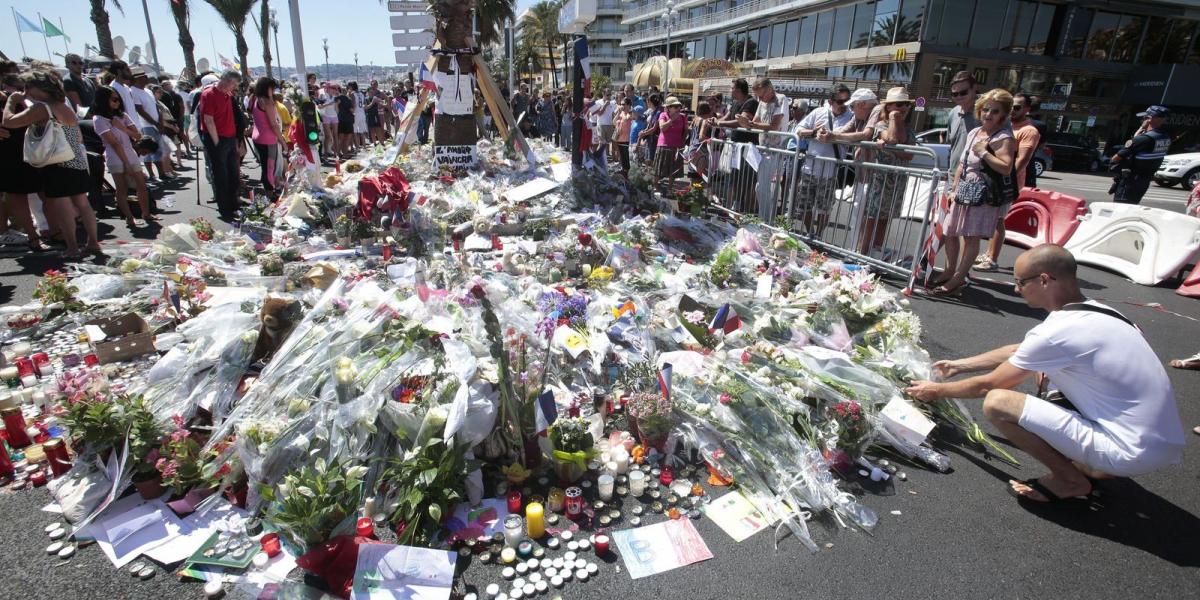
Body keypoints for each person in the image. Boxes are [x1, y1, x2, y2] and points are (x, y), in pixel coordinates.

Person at [906, 244, 1186, 503]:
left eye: (1020, 282)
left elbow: (987, 386)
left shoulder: (1057, 332)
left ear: (1044, 280)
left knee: (998, 402)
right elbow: (1022, 350)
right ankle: (1094, 465)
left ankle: (1070, 480)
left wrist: (937, 390)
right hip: (1160, 442)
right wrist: (959, 365)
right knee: (1048, 377)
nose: (1016, 290)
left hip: (1129, 450)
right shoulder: (1101, 313)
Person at [2, 68, 102, 259]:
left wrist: (12, 101)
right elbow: (75, 137)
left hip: (57, 160)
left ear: (37, 87)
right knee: (82, 203)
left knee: (62, 204)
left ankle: (72, 247)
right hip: (74, 157)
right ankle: (93, 242)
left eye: (27, 87)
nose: (24, 91)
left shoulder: (42, 108)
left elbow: (9, 122)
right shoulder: (62, 105)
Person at [935, 89, 1017, 296]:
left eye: (995, 111)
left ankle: (958, 279)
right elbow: (962, 164)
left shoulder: (1004, 137)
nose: (988, 114)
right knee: (950, 231)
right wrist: (953, 190)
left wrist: (984, 153)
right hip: (964, 189)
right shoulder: (974, 133)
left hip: (984, 194)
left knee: (971, 238)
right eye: (986, 109)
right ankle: (949, 270)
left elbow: (1006, 167)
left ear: (1003, 115)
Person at [977, 91, 1041, 272]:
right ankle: (988, 253)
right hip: (992, 179)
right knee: (992, 218)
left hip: (1005, 182)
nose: (1013, 110)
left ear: (1027, 109)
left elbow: (1023, 160)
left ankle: (992, 258)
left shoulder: (1029, 131)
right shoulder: (1006, 126)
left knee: (998, 219)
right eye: (1010, 107)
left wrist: (1007, 180)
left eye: (1018, 107)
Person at [932, 72, 981, 284]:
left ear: (974, 89)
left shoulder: (985, 112)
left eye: (963, 92)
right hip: (954, 179)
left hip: (976, 181)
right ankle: (949, 271)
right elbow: (953, 147)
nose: (959, 96)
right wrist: (949, 176)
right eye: (955, 93)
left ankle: (961, 276)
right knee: (950, 229)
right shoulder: (953, 113)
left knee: (969, 233)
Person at [856, 87, 915, 258]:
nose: (903, 108)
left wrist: (892, 145)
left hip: (897, 179)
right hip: (880, 178)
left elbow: (908, 154)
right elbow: (893, 139)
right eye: (898, 104)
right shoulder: (881, 124)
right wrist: (892, 118)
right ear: (888, 106)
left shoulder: (909, 129)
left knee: (884, 218)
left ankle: (876, 253)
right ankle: (863, 252)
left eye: (905, 104)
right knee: (871, 217)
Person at [794, 84, 853, 234]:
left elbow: (854, 137)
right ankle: (810, 233)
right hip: (810, 167)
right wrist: (813, 133)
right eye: (840, 101)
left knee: (824, 208)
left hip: (830, 172)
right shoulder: (818, 112)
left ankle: (818, 235)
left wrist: (832, 137)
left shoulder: (851, 117)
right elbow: (798, 130)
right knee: (805, 204)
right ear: (831, 100)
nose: (844, 105)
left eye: (847, 101)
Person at [91, 85, 153, 227]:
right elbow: (114, 144)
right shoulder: (99, 119)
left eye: (118, 99)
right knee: (122, 188)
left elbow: (138, 136)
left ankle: (146, 213)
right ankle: (129, 217)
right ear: (103, 100)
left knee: (141, 185)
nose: (117, 102)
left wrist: (121, 127)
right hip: (115, 157)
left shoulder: (122, 116)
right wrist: (127, 164)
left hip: (130, 153)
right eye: (113, 99)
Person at [0, 59, 46, 251]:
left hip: (22, 149)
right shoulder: (9, 97)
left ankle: (41, 231)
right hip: (9, 153)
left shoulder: (9, 95)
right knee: (16, 194)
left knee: (24, 192)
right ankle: (32, 236)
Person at [198, 70, 244, 220]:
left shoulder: (228, 94)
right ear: (227, 81)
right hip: (217, 139)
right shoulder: (208, 94)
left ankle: (234, 202)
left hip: (229, 138)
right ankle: (225, 208)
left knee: (234, 173)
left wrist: (235, 139)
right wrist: (217, 141)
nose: (235, 87)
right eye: (234, 84)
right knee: (221, 175)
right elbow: (208, 120)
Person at [1109, 105, 1171, 205]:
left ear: (1149, 119)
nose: (1142, 120)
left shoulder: (1143, 139)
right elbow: (1138, 142)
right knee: (1131, 207)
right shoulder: (1165, 138)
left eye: (1144, 118)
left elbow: (1115, 159)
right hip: (1144, 182)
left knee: (1120, 209)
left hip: (1129, 182)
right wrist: (1142, 128)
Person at [130, 68, 176, 182]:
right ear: (137, 79)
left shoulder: (148, 91)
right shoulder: (133, 91)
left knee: (158, 150)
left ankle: (161, 174)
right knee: (147, 151)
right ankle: (152, 175)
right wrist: (155, 123)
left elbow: (156, 107)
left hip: (156, 125)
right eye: (143, 77)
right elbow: (140, 110)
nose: (146, 78)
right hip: (146, 125)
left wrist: (160, 123)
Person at [248, 77, 284, 196]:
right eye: (272, 88)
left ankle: (269, 191)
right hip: (268, 139)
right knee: (269, 168)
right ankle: (270, 193)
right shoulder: (267, 102)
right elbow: (274, 125)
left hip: (257, 137)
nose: (273, 91)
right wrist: (282, 141)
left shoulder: (254, 98)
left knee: (264, 166)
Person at [744, 78, 787, 148]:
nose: (759, 99)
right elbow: (754, 122)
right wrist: (745, 121)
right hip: (762, 148)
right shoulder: (761, 102)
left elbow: (774, 126)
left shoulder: (781, 99)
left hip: (777, 150)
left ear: (770, 89)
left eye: (761, 96)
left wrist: (754, 124)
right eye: (757, 97)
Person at [654, 96, 687, 182]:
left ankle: (670, 190)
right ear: (668, 108)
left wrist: (682, 144)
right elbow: (662, 128)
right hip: (664, 146)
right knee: (659, 170)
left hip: (677, 147)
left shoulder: (683, 117)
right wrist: (672, 120)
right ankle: (655, 187)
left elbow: (685, 131)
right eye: (675, 107)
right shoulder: (663, 115)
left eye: (679, 106)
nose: (678, 109)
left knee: (674, 171)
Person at [612, 97, 635, 173]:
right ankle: (623, 169)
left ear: (628, 105)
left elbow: (627, 119)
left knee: (626, 157)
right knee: (621, 156)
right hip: (619, 138)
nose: (622, 106)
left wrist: (623, 113)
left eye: (623, 104)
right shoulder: (621, 113)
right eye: (621, 104)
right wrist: (619, 113)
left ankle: (627, 171)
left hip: (626, 139)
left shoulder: (630, 113)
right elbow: (614, 122)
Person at [318, 82, 340, 158]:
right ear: (328, 88)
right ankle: (326, 154)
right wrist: (329, 104)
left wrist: (337, 104)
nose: (334, 90)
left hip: (334, 116)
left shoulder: (335, 97)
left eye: (335, 88)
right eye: (333, 88)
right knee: (327, 136)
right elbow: (319, 106)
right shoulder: (323, 95)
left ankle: (336, 153)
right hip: (326, 116)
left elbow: (337, 110)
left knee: (335, 135)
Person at [335, 84, 356, 156]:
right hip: (348, 120)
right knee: (347, 138)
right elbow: (352, 110)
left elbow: (337, 110)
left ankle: (338, 153)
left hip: (340, 120)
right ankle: (345, 153)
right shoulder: (349, 99)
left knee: (340, 139)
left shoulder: (337, 98)